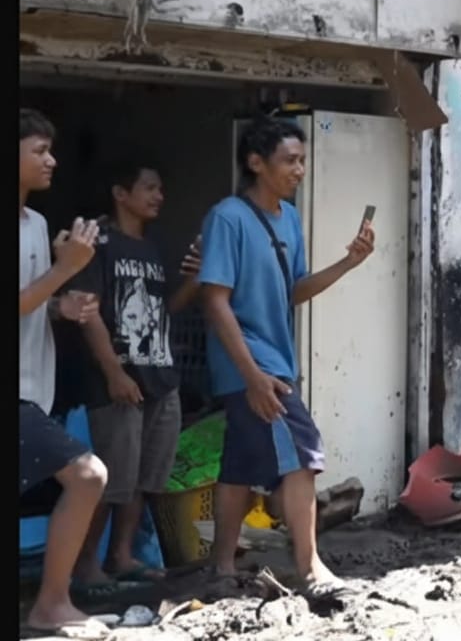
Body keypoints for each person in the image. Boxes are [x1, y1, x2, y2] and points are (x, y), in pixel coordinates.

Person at [199, 116, 375, 598]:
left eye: (302, 160)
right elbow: (215, 299)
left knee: (239, 466)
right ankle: (311, 569)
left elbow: (293, 290)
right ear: (256, 163)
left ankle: (221, 569)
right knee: (302, 455)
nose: (300, 170)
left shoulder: (290, 219)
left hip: (271, 362)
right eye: (290, 161)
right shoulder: (228, 217)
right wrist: (253, 375)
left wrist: (349, 262)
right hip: (254, 365)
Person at [71, 161, 203, 588]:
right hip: (119, 382)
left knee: (145, 480)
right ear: (120, 193)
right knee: (111, 479)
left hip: (160, 379)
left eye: (160, 189)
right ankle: (85, 566)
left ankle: (121, 557)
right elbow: (88, 312)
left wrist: (195, 280)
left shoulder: (153, 247)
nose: (158, 196)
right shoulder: (98, 243)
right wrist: (114, 372)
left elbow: (165, 310)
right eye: (149, 188)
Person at [18, 108, 111, 636]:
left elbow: (30, 302)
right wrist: (65, 269)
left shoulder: (35, 224)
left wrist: (61, 305)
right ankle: (51, 604)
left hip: (34, 390)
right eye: (39, 151)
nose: (51, 160)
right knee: (87, 476)